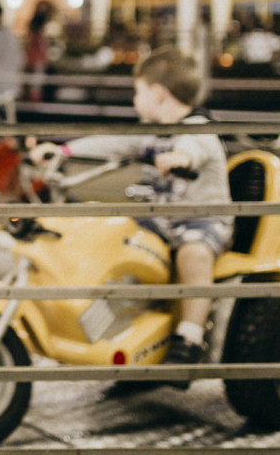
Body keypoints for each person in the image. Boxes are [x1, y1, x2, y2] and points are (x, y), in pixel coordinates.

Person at [28, 46, 232, 379]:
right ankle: (123, 325)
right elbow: (114, 143)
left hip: (200, 219)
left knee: (194, 253)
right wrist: (64, 150)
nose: (135, 100)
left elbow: (193, 148)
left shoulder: (198, 129)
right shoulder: (151, 130)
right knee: (114, 234)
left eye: (138, 92)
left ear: (158, 93)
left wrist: (179, 160)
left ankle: (190, 338)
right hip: (159, 219)